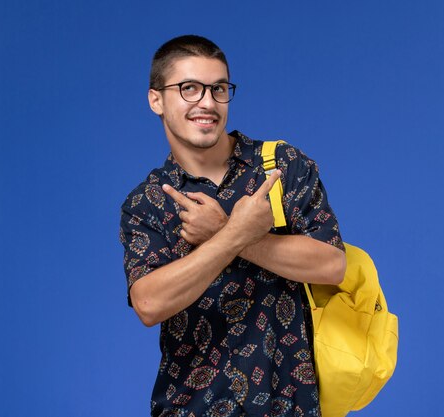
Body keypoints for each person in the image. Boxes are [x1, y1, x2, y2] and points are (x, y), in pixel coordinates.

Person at [120, 35, 346, 417]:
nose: (207, 103)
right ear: (156, 99)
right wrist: (234, 235)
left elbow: (331, 265)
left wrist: (228, 232)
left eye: (218, 89)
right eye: (188, 89)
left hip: (289, 405)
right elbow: (148, 303)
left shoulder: (280, 167)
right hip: (189, 408)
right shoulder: (147, 202)